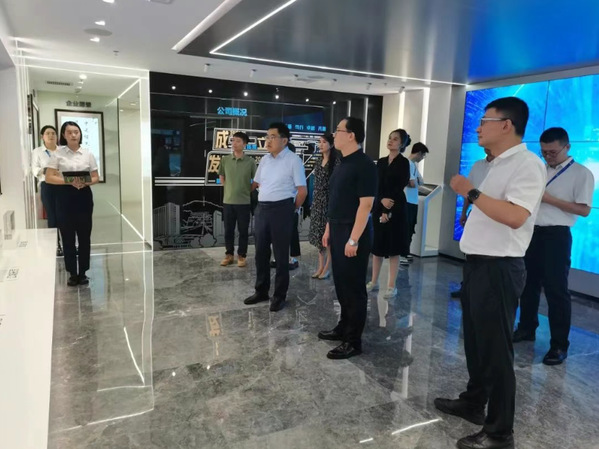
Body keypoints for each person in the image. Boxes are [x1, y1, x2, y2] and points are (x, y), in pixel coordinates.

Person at [435, 97, 546, 449]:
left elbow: (515, 216)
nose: (478, 127)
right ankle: (473, 401)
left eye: (485, 121)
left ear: (507, 125)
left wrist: (469, 191)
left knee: (496, 350)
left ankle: (499, 432)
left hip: (500, 267)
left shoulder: (528, 165)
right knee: (476, 341)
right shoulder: (492, 164)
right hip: (477, 264)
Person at [513, 127, 594, 365]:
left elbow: (584, 210)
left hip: (556, 236)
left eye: (553, 152)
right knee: (528, 284)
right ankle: (526, 327)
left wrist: (550, 200)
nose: (548, 156)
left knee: (556, 290)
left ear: (567, 147)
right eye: (544, 152)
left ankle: (559, 345)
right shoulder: (539, 169)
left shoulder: (581, 173)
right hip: (532, 232)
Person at [318, 117, 377, 359]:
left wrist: (353, 240)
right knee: (341, 284)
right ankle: (343, 327)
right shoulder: (342, 163)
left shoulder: (365, 165)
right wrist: (328, 229)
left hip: (354, 231)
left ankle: (353, 341)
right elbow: (336, 200)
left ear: (351, 135)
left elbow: (366, 205)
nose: (334, 135)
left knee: (353, 288)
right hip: (338, 228)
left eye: (338, 130)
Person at [244, 123, 307, 312]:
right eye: (267, 136)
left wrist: (291, 210)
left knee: (280, 256)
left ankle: (279, 296)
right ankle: (261, 291)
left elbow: (302, 191)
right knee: (260, 253)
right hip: (262, 209)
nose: (268, 140)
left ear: (284, 140)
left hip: (282, 209)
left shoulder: (293, 160)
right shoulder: (265, 160)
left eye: (272, 137)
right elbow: (256, 183)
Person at [45, 121, 100, 287]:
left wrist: (85, 182)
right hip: (64, 197)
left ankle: (83, 272)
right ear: (64, 135)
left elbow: (95, 177)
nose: (73, 135)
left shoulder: (88, 154)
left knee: (84, 235)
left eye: (76, 132)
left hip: (83, 196)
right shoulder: (58, 154)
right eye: (69, 132)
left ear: (80, 134)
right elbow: (49, 177)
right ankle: (72, 273)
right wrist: (68, 181)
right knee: (67, 235)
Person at [367, 129, 411, 298]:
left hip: (396, 207)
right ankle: (374, 281)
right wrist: (381, 202)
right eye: (389, 138)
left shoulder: (404, 163)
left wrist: (387, 209)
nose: (391, 141)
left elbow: (398, 186)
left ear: (402, 143)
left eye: (395, 139)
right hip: (379, 205)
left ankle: (391, 285)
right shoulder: (381, 162)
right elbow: (376, 184)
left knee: (394, 248)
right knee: (377, 247)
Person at [451, 148, 495, 298]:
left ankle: (483, 289)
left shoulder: (503, 167)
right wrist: (464, 212)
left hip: (492, 217)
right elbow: (468, 192)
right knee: (470, 253)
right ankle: (467, 286)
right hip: (475, 214)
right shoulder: (478, 165)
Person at [218, 131, 257, 268]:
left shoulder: (250, 162)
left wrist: (247, 190)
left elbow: (256, 180)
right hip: (228, 201)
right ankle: (229, 255)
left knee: (243, 231)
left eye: (238, 141)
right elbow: (221, 176)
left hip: (244, 203)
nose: (234, 143)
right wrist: (228, 188)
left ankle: (242, 255)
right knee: (228, 230)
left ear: (244, 144)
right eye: (233, 140)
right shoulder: (225, 160)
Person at [308, 134, 339, 279]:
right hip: (317, 202)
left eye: (324, 142)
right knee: (319, 237)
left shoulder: (336, 162)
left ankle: (327, 267)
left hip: (329, 202)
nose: (320, 145)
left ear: (331, 145)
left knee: (329, 239)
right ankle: (320, 266)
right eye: (319, 142)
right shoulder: (318, 160)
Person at [31, 125, 62, 256]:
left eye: (53, 133)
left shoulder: (62, 150)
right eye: (48, 133)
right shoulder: (37, 152)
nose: (51, 136)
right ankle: (56, 245)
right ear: (42, 137)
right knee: (52, 216)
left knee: (64, 215)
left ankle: (68, 243)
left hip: (62, 185)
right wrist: (46, 170)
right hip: (47, 185)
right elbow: (34, 170)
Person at [405, 142, 429, 260]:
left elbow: (420, 181)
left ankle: (406, 252)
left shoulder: (413, 165)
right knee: (406, 227)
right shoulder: (407, 164)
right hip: (407, 201)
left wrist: (416, 182)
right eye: (423, 155)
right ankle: (403, 253)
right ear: (419, 153)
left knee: (411, 227)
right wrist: (416, 182)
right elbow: (412, 183)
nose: (422, 158)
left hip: (413, 201)